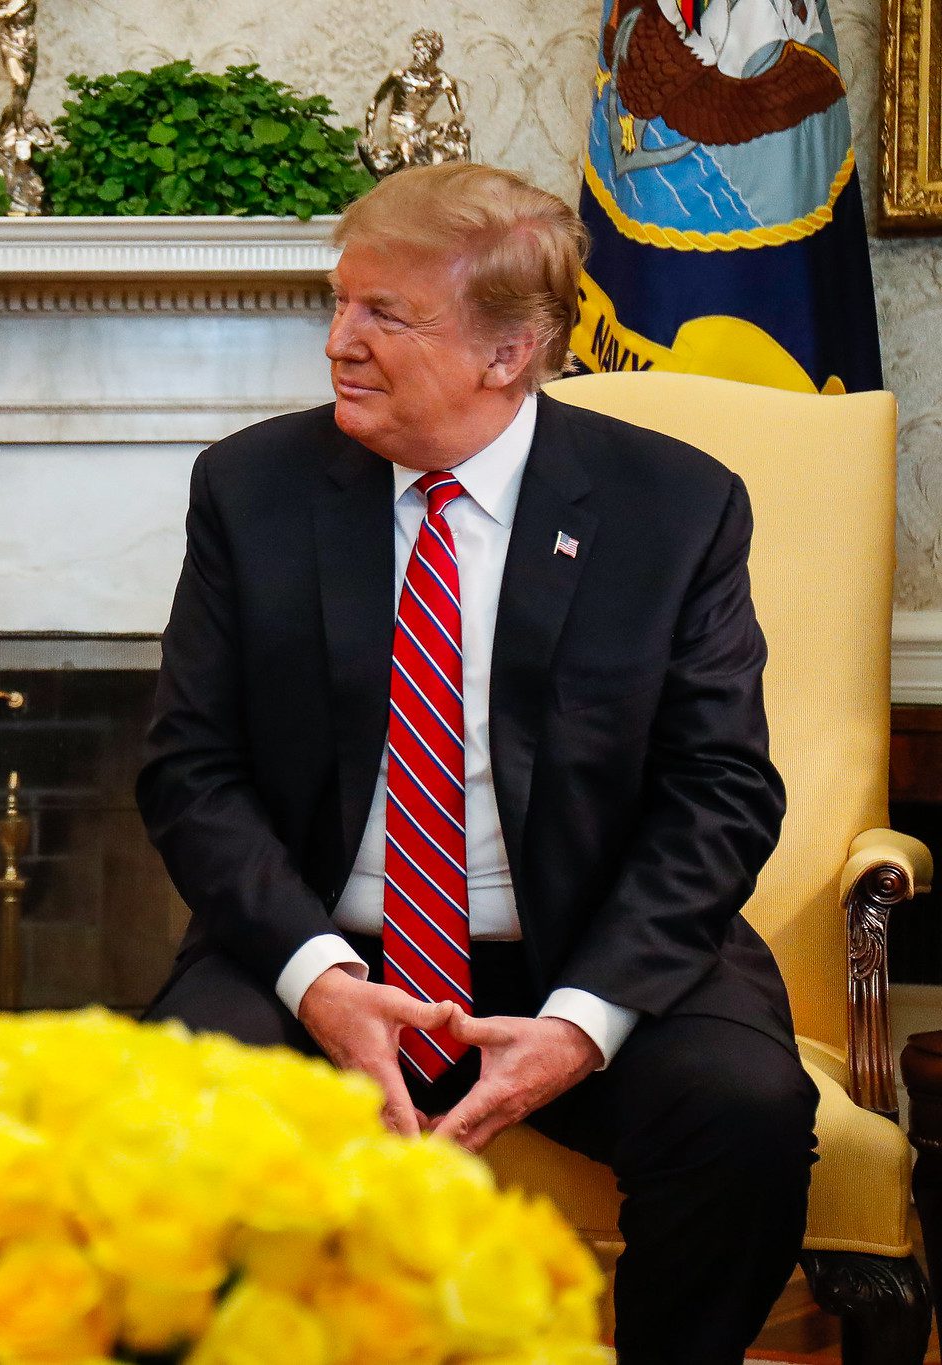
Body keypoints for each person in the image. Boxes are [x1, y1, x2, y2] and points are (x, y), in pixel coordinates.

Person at [137, 162, 814, 1364]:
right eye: (338, 304)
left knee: (742, 1115)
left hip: (590, 943)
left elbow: (718, 795)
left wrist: (577, 1023)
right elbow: (192, 771)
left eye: (384, 316)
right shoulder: (250, 489)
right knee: (173, 1117)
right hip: (323, 948)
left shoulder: (674, 508)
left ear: (510, 352)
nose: (339, 342)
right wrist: (319, 980)